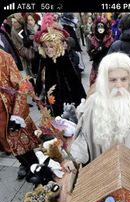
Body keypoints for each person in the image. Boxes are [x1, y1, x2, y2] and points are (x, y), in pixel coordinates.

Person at [70, 52, 130, 170]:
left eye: (123, 79)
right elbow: (83, 138)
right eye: (113, 80)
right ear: (104, 81)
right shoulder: (93, 104)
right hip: (107, 174)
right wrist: (74, 159)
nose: (119, 85)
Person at [35, 13, 86, 117]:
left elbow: (74, 82)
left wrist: (80, 101)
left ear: (58, 46)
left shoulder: (64, 59)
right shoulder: (44, 60)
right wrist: (38, 94)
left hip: (68, 103)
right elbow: (39, 82)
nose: (48, 50)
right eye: (45, 47)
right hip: (51, 101)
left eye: (51, 47)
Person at [0, 49, 39, 179]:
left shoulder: (4, 57)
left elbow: (21, 86)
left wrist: (17, 114)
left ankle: (39, 173)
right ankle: (25, 165)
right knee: (9, 146)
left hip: (10, 111)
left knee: (24, 147)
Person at [87, 16, 113, 85]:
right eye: (99, 27)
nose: (100, 29)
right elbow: (90, 54)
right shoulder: (92, 40)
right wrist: (95, 52)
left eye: (102, 27)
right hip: (96, 68)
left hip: (108, 68)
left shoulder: (110, 40)